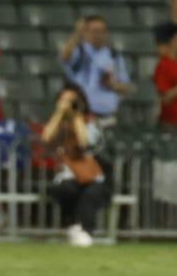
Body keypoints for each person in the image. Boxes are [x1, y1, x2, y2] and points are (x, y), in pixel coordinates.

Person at [42, 85, 112, 248]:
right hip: (66, 175)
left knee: (90, 192)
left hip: (89, 174)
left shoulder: (88, 122)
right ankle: (74, 227)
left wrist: (77, 116)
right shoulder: (56, 122)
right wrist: (59, 113)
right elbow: (46, 138)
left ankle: (85, 231)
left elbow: (84, 142)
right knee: (67, 189)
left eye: (71, 101)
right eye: (64, 100)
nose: (67, 104)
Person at [59, 15, 133, 118]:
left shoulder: (113, 55)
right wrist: (77, 34)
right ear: (85, 32)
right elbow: (65, 56)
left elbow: (127, 87)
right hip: (80, 112)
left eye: (102, 31)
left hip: (107, 113)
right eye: (94, 31)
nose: (98, 35)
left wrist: (113, 85)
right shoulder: (79, 51)